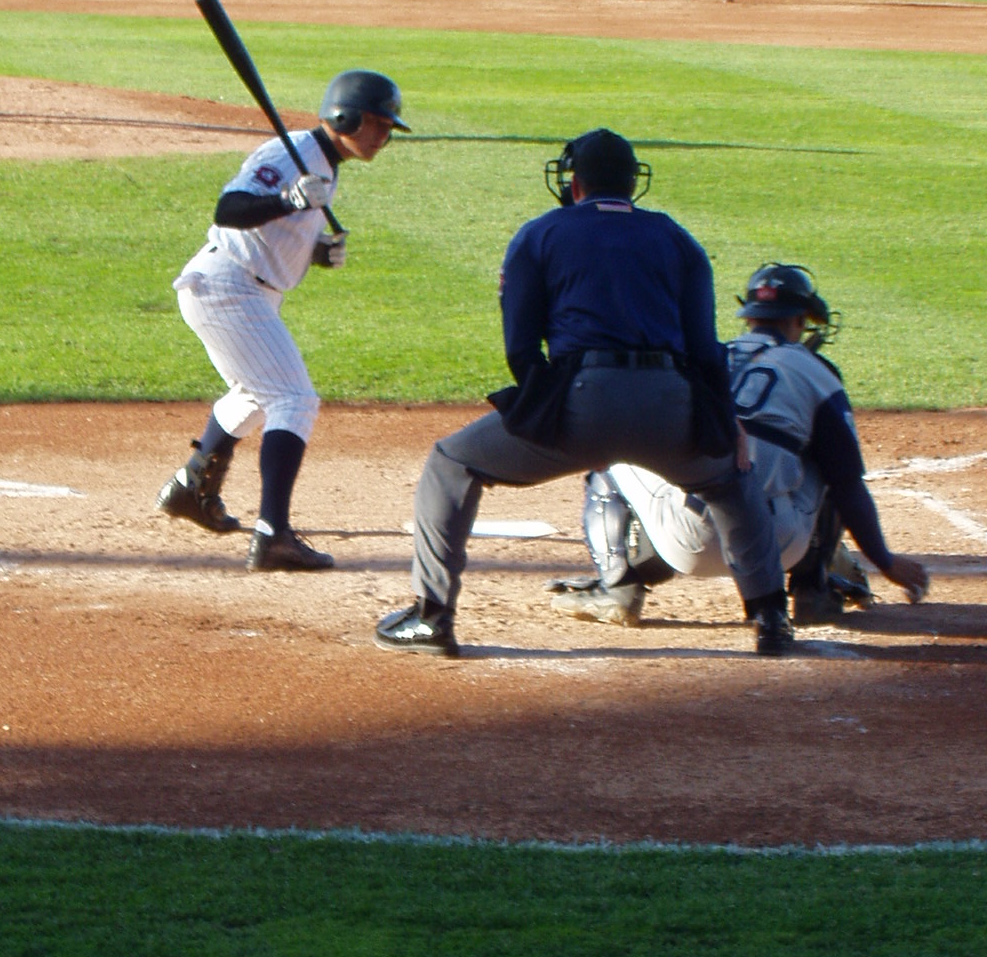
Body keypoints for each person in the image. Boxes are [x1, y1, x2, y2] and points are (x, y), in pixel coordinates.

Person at [375, 128, 791, 658]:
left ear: (575, 183)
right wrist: (723, 422)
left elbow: (522, 347)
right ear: (632, 183)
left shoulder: (540, 233)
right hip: (670, 404)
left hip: (581, 399)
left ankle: (431, 617)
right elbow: (705, 351)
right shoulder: (677, 238)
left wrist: (549, 411)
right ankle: (772, 618)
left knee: (451, 462)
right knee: (732, 479)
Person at [550, 263, 929, 624]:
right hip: (775, 546)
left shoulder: (699, 359)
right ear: (800, 320)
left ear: (749, 317)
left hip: (683, 542)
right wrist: (884, 561)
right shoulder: (818, 373)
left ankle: (618, 586)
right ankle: (813, 590)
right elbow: (848, 485)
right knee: (826, 459)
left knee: (613, 458)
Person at [155, 70, 407, 573]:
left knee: (255, 395)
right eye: (377, 124)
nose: (382, 137)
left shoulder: (325, 166)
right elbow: (231, 211)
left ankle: (191, 487)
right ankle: (274, 536)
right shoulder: (289, 154)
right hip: (227, 287)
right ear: (346, 117)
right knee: (293, 398)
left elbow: (277, 233)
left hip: (248, 291)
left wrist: (315, 250)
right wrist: (288, 199)